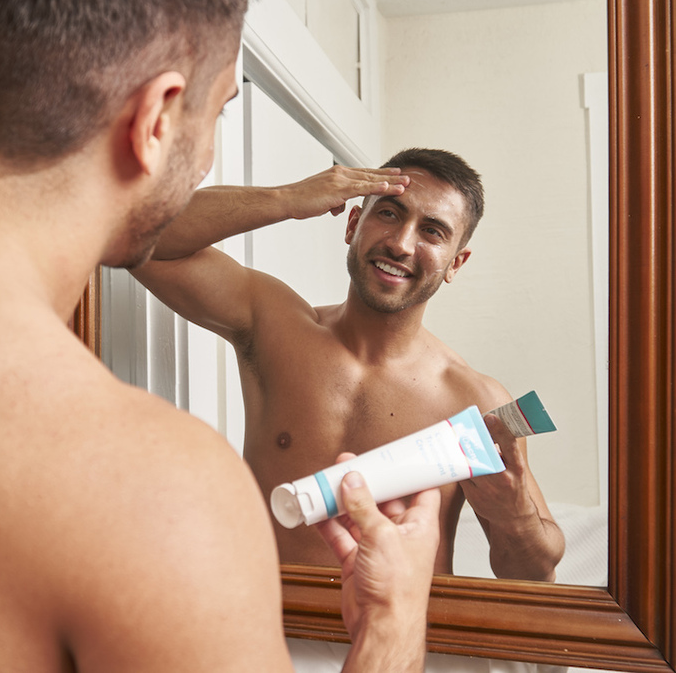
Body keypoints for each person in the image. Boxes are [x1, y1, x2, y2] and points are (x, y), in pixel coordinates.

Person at [0, 0, 443, 672]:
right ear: (154, 118)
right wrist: (393, 624)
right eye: (219, 107)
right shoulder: (156, 492)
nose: (208, 145)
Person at [132, 150, 566, 582]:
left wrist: (517, 516)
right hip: (268, 626)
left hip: (403, 638)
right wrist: (287, 198)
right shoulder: (274, 327)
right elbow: (137, 233)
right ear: (354, 224)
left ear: (456, 262)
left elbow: (532, 577)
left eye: (432, 231)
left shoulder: (475, 400)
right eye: (391, 214)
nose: (401, 243)